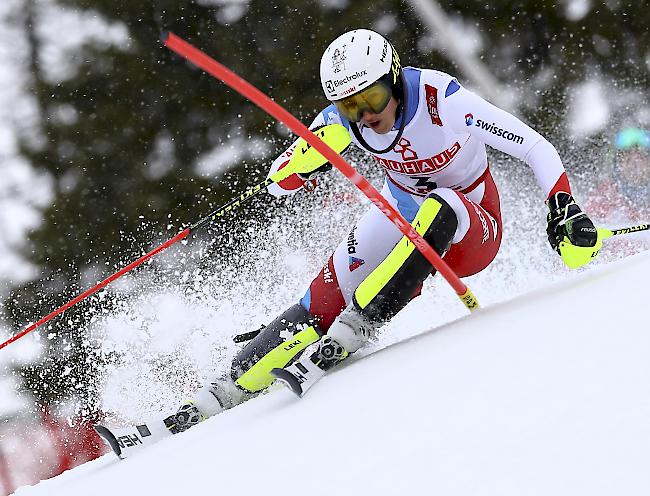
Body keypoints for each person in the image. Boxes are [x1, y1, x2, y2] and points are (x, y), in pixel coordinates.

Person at [163, 28, 599, 432]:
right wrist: (293, 172)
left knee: (440, 202)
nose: (366, 116)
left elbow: (533, 146)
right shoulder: (339, 122)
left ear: (392, 78)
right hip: (402, 217)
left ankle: (359, 324)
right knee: (328, 290)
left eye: (372, 98)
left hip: (472, 229)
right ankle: (223, 390)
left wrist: (562, 205)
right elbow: (282, 176)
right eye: (351, 106)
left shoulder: (442, 101)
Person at [587, 126, 650, 221]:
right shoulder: (605, 196)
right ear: (617, 164)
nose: (634, 164)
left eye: (641, 157)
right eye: (627, 159)